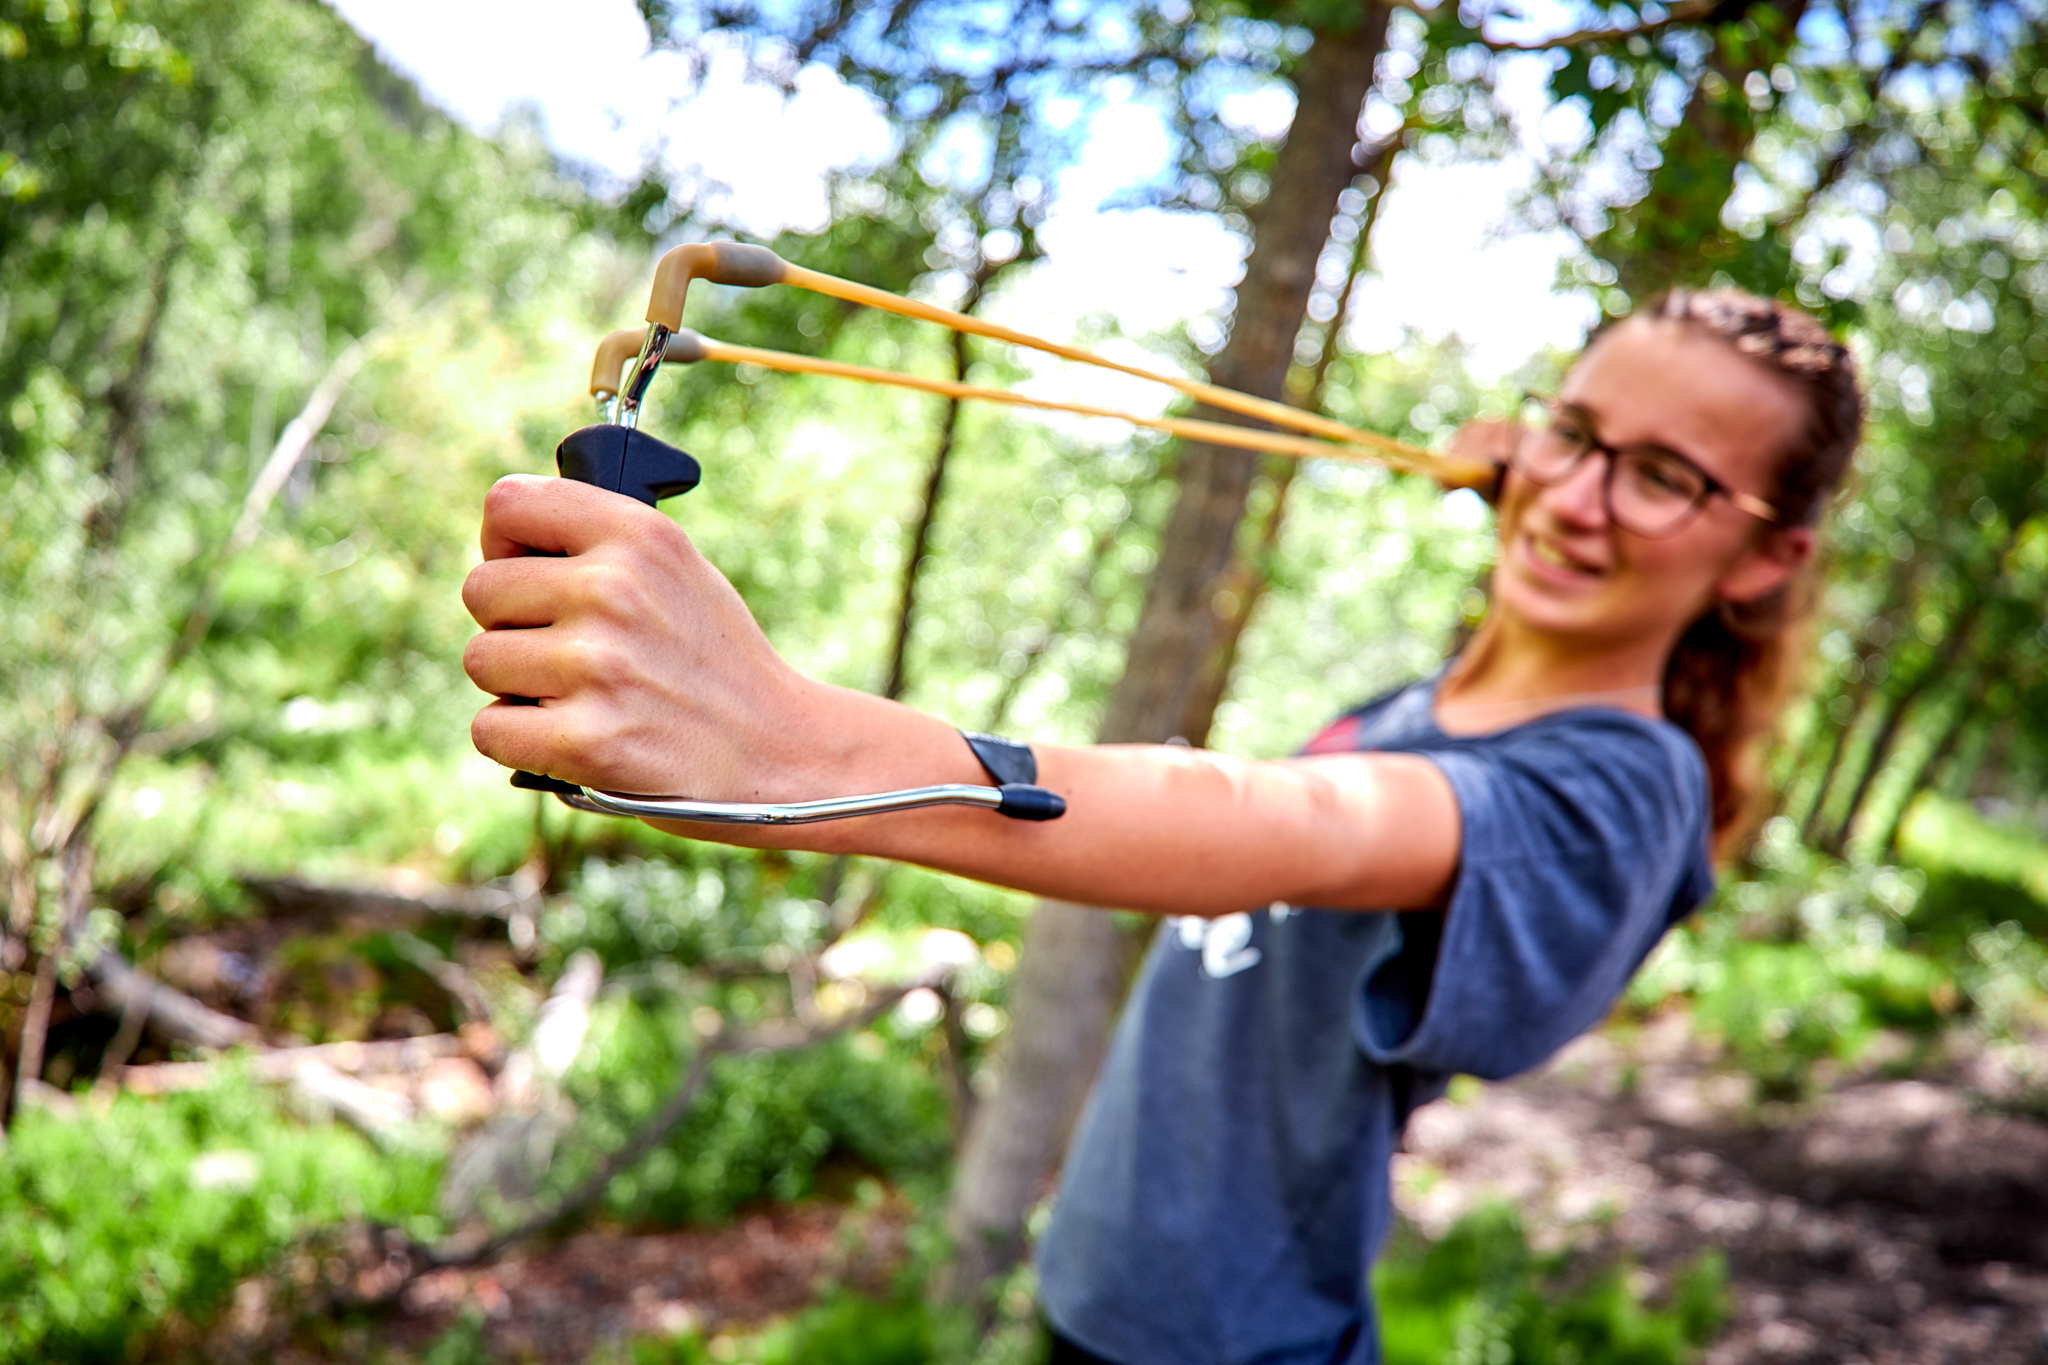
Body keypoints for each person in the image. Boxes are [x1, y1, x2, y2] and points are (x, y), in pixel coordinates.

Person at [460, 287, 1861, 1364]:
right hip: (1111, 1283)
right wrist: (1545, 475)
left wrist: (791, 746)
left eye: (1667, 477)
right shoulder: (1445, 694)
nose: (1580, 495)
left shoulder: (1616, 796)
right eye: (1574, 429)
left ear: (1768, 556)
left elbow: (1272, 815)